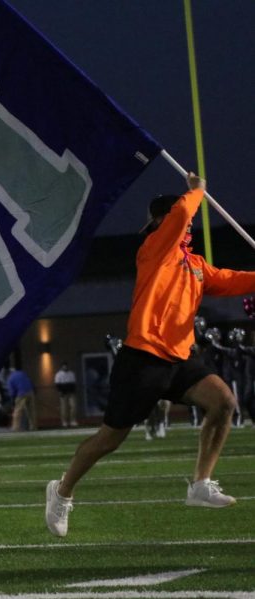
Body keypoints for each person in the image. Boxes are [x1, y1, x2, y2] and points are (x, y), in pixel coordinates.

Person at [46, 173, 254, 537]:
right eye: (175, 218)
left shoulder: (195, 266)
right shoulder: (154, 249)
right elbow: (177, 220)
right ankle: (62, 491)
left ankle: (200, 485)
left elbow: (232, 279)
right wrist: (196, 192)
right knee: (110, 439)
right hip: (142, 356)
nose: (182, 225)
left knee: (223, 402)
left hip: (180, 358)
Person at [54, 363, 78, 428]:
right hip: (63, 393)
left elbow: (73, 383)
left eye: (66, 367)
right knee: (64, 408)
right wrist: (60, 392)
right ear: (62, 367)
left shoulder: (71, 373)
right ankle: (64, 422)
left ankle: (73, 421)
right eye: (64, 367)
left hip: (71, 392)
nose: (65, 368)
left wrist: (73, 392)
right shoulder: (58, 374)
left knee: (73, 406)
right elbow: (57, 384)